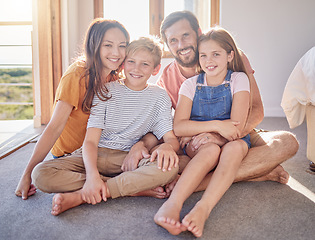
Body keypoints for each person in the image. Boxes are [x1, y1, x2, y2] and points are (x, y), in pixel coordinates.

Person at [31, 37, 180, 216]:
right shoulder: (106, 90)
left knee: (170, 168)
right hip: (97, 153)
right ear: (123, 64)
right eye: (131, 62)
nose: (136, 69)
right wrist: (92, 175)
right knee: (40, 174)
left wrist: (166, 146)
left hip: (127, 160)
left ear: (156, 69)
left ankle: (83, 195)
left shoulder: (160, 97)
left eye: (145, 64)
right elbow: (91, 142)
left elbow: (171, 138)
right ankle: (129, 187)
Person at [155, 11, 299, 191]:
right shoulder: (167, 78)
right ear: (167, 45)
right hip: (198, 141)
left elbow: (256, 109)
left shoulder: (232, 57)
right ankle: (258, 172)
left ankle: (198, 183)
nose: (181, 45)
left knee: (287, 142)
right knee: (170, 162)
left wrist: (222, 137)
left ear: (198, 33)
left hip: (239, 129)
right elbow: (164, 123)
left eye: (185, 35)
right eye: (173, 40)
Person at [15, 18, 134, 200]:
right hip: (70, 157)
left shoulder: (116, 78)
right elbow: (54, 128)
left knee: (154, 162)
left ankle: (102, 184)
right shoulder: (76, 75)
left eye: (122, 46)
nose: (116, 53)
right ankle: (120, 185)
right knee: (41, 176)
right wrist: (26, 173)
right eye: (108, 45)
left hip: (100, 152)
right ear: (94, 46)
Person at [155, 27, 251, 237]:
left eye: (216, 54)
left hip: (232, 139)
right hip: (199, 143)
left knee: (234, 148)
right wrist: (216, 125)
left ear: (230, 55)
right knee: (209, 151)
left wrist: (220, 133)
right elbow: (179, 126)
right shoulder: (190, 85)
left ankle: (203, 208)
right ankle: (173, 204)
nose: (209, 60)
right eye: (204, 55)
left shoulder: (239, 79)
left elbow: (236, 127)